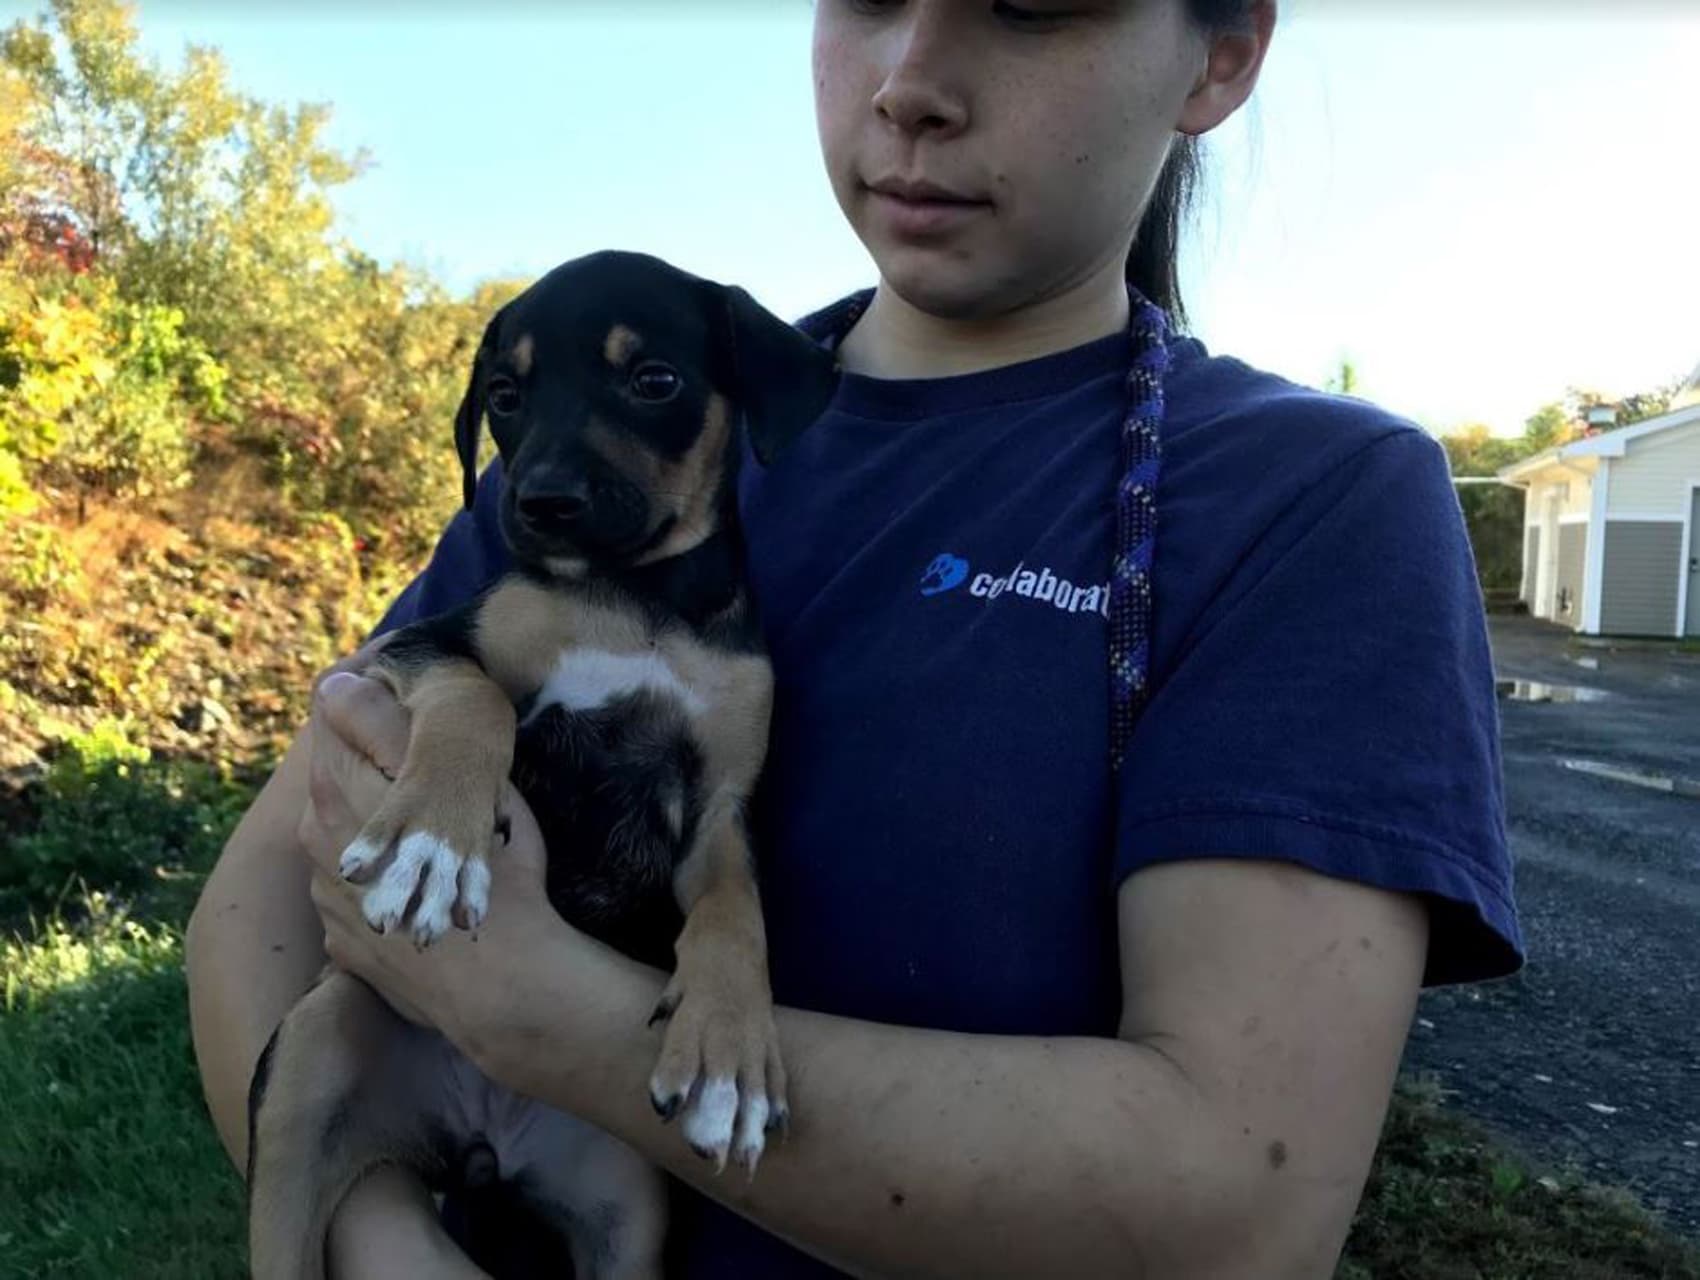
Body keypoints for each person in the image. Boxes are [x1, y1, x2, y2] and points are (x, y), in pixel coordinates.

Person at [186, 1, 1524, 1275]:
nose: (909, 86)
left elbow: (1235, 1212)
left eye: (1034, 8)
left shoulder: (1303, 498)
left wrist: (539, 1013)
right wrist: (380, 1247)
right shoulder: (621, 448)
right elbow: (257, 915)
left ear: (1219, 60)